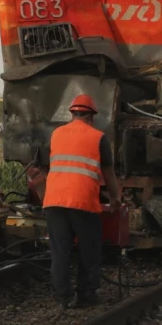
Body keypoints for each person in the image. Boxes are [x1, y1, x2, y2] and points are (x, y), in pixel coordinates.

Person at [45, 94, 122, 309]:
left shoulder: (56, 134)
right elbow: (108, 173)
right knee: (89, 249)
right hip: (82, 202)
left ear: (72, 114)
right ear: (92, 116)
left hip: (53, 201)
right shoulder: (98, 137)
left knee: (60, 250)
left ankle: (62, 297)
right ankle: (85, 296)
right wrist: (116, 199)